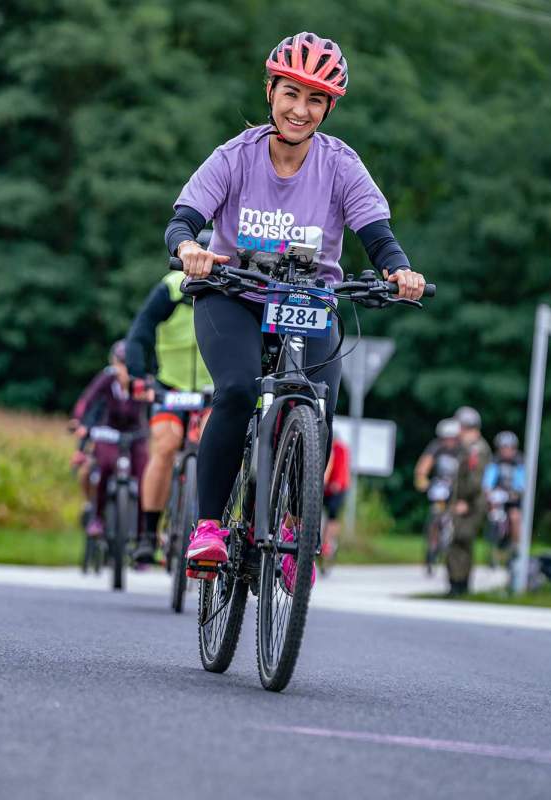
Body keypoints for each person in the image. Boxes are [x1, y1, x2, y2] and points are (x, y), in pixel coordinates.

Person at [165, 32, 427, 582]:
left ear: (329, 107)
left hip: (308, 301)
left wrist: (398, 270)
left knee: (316, 406)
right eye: (290, 94)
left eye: (315, 100)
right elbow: (186, 217)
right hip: (232, 294)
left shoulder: (340, 164)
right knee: (236, 391)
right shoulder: (234, 156)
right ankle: (209, 527)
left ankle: (292, 526)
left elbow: (376, 233)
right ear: (270, 91)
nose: (300, 110)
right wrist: (189, 248)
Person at [124, 234, 213, 561]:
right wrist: (137, 377)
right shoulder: (173, 288)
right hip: (170, 385)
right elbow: (139, 333)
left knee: (213, 442)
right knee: (164, 444)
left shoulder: (233, 287)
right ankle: (148, 533)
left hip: (212, 389)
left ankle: (211, 524)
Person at [70, 340, 149, 546]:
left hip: (135, 435)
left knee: (145, 479)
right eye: (119, 362)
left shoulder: (141, 382)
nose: (122, 368)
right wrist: (78, 421)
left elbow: (154, 403)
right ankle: (98, 517)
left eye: (126, 363)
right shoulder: (106, 380)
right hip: (109, 433)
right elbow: (87, 400)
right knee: (104, 466)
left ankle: (144, 538)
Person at [446, 406, 491, 595]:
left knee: (460, 542)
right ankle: (457, 583)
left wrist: (464, 501)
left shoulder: (476, 449)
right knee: (458, 543)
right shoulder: (469, 448)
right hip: (466, 502)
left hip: (469, 504)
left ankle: (459, 585)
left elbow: (474, 480)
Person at [415, 418, 461, 574]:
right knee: (436, 516)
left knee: (456, 517)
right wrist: (422, 478)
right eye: (445, 438)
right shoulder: (436, 447)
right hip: (440, 487)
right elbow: (424, 464)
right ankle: (432, 546)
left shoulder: (462, 450)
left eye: (452, 438)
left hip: (457, 489)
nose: (448, 441)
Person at [482, 430, 525, 561]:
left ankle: (515, 545)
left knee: (515, 517)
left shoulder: (519, 462)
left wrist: (517, 492)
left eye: (509, 448)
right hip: (498, 495)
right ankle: (492, 545)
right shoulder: (495, 461)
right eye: (503, 448)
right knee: (491, 512)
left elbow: (521, 481)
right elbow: (488, 479)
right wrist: (488, 490)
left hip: (512, 496)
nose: (506, 451)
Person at [322, 437, 351, 565]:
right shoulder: (322, 446)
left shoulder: (340, 449)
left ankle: (329, 542)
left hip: (338, 487)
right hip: (324, 487)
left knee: (333, 514)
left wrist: (337, 482)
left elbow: (342, 466)